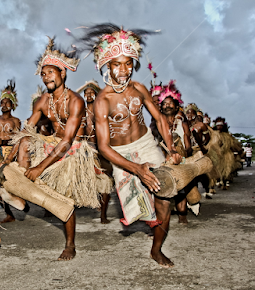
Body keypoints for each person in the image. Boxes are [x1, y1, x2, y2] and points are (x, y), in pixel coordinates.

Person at [77, 23, 181, 268]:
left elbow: (159, 118)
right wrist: (136, 169)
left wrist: (171, 148)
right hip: (119, 153)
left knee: (164, 197)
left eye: (128, 63)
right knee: (139, 205)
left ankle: (157, 249)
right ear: (107, 66)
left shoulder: (139, 88)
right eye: (116, 64)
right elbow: (103, 147)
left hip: (146, 144)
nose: (123, 70)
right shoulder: (102, 101)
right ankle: (147, 217)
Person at [1, 37, 101, 261]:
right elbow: (26, 130)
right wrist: (7, 159)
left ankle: (70, 244)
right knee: (26, 140)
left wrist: (39, 169)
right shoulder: (42, 102)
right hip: (52, 145)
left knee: (64, 198)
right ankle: (20, 192)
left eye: (51, 72)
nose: (46, 77)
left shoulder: (76, 101)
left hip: (72, 149)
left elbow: (66, 142)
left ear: (63, 74)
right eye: (43, 73)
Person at [76, 80, 114, 223]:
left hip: (102, 149)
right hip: (85, 149)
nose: (89, 95)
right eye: (86, 93)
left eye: (92, 92)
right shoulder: (81, 112)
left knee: (106, 181)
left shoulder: (102, 111)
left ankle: (103, 215)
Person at [0, 79, 27, 223]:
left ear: (12, 105)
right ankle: (9, 214)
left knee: (14, 180)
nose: (4, 105)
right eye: (2, 102)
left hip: (11, 152)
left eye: (7, 102)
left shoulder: (16, 121)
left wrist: (16, 156)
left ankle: (23, 202)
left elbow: (19, 138)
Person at [158, 80, 192, 224]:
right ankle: (158, 221)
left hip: (179, 160)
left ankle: (182, 215)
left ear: (177, 106)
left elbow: (188, 144)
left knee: (181, 189)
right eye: (164, 104)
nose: (167, 105)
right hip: (161, 160)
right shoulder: (157, 123)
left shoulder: (182, 123)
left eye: (170, 103)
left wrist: (184, 156)